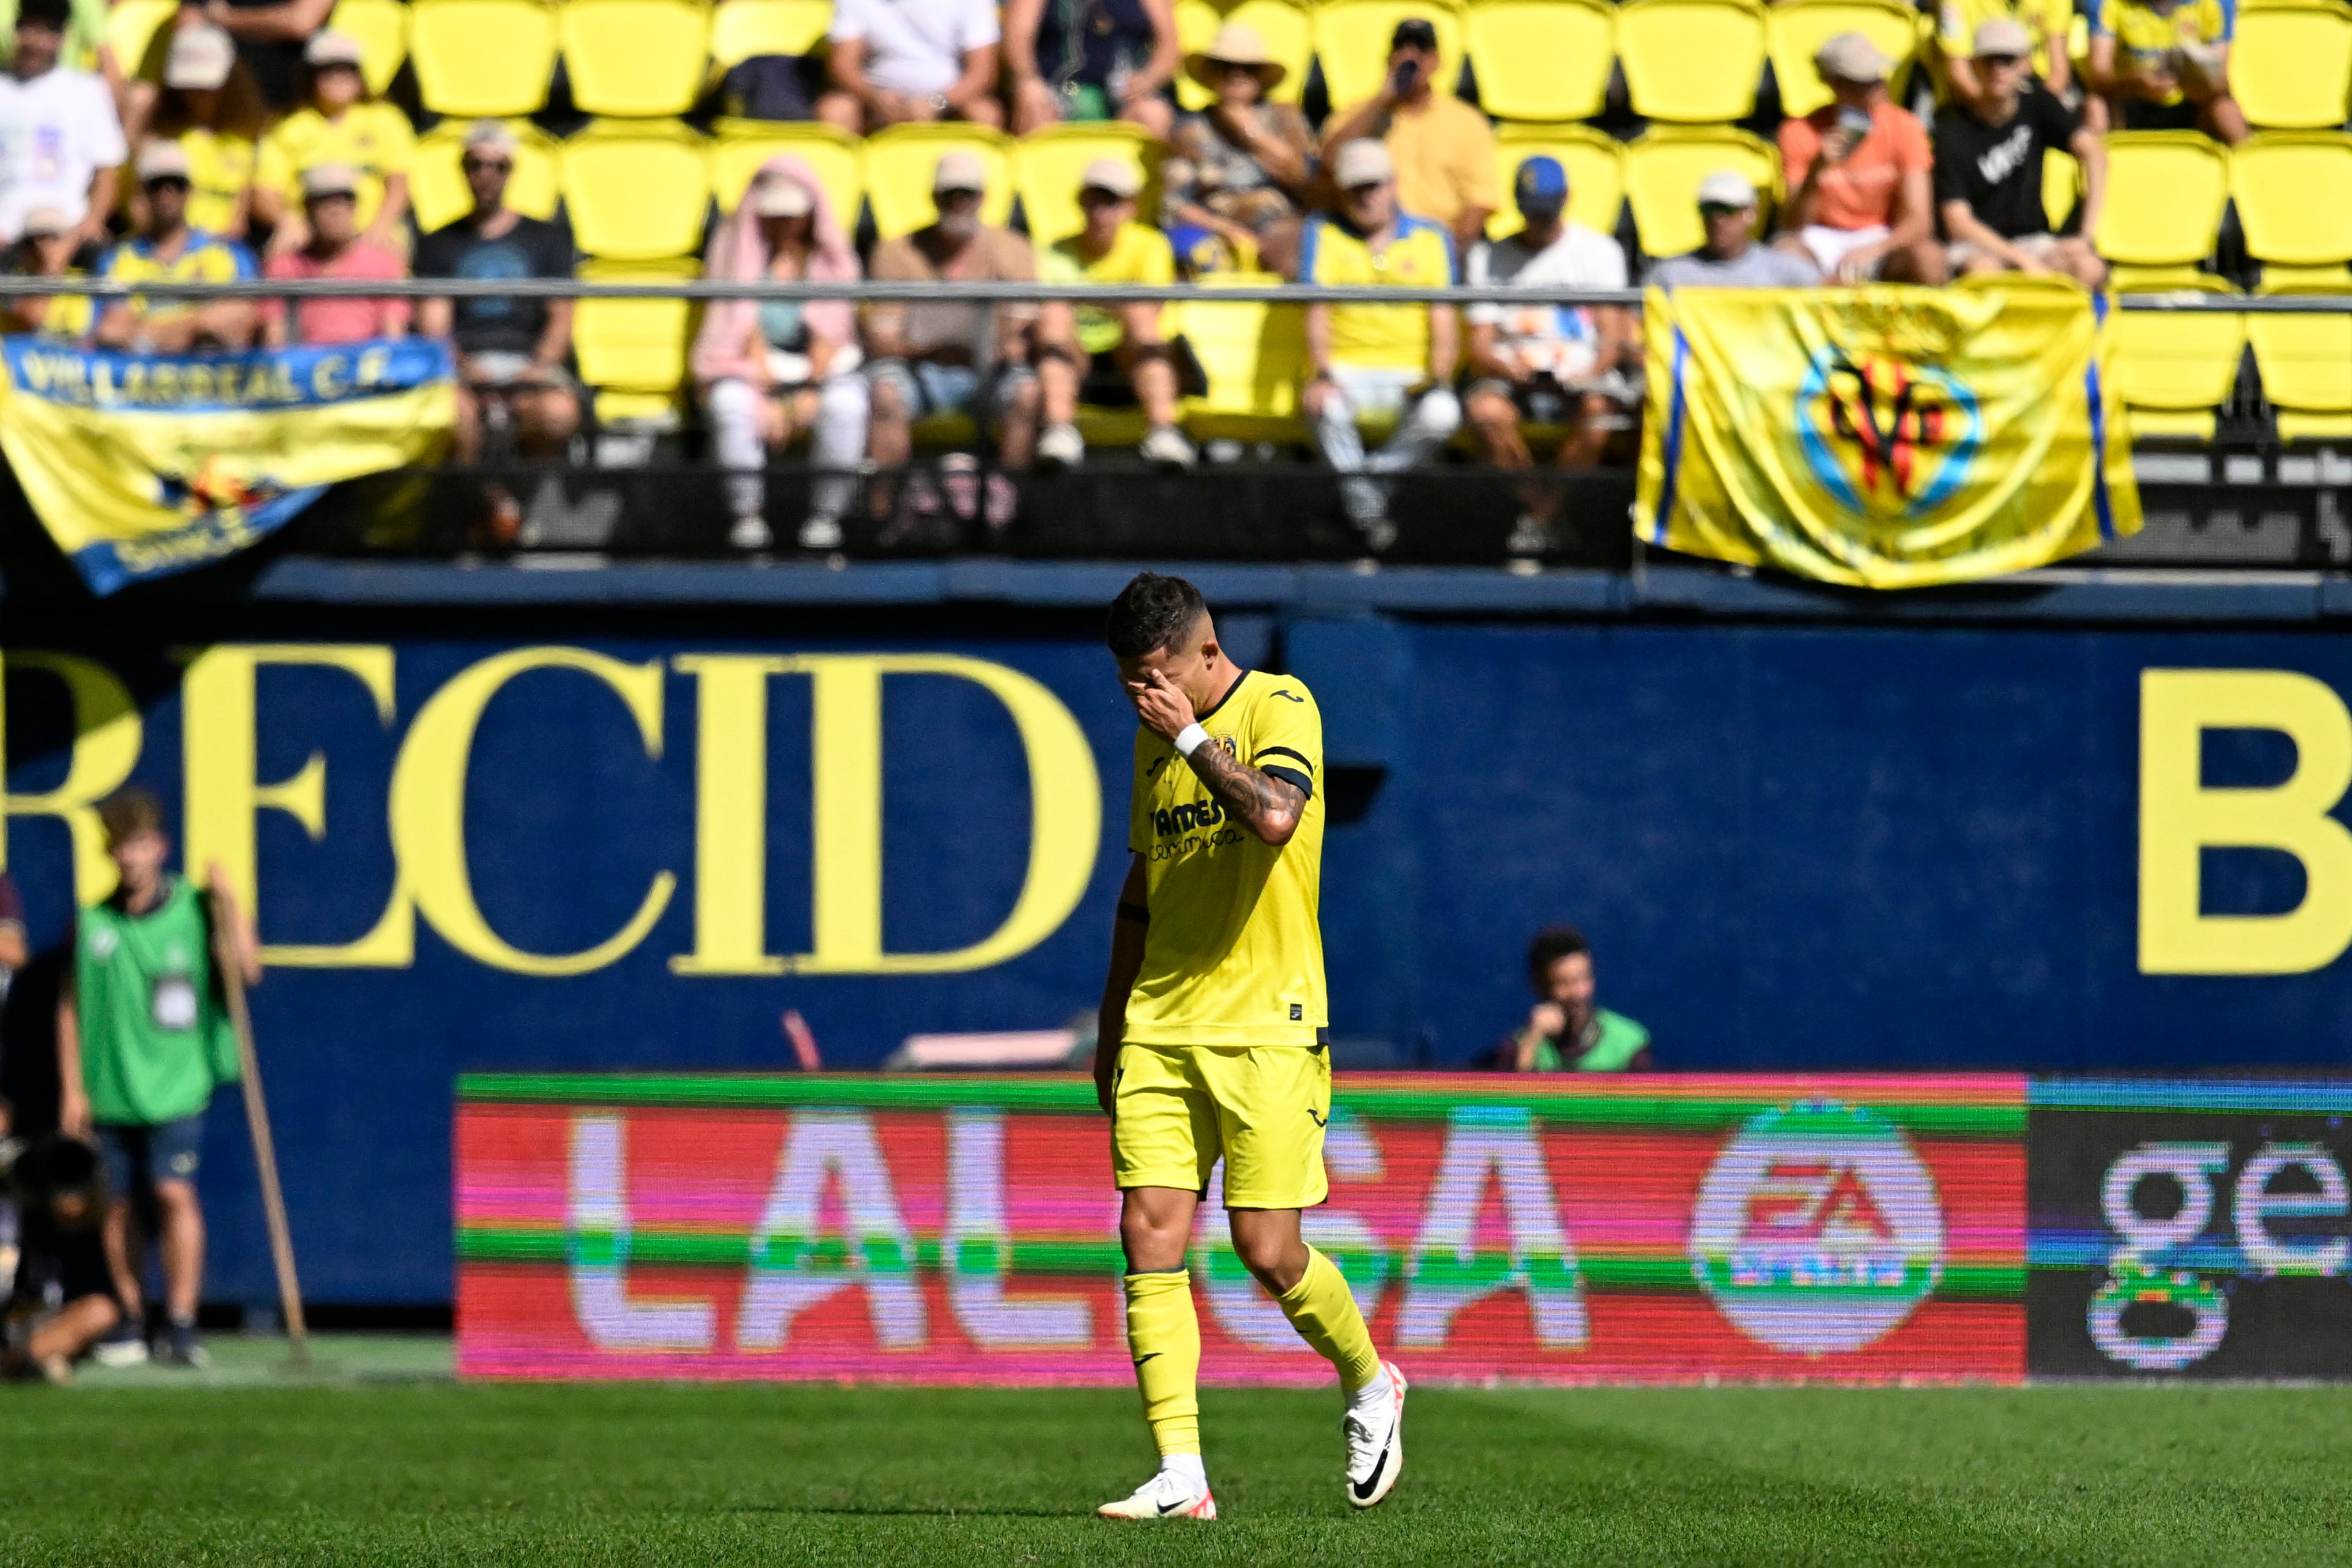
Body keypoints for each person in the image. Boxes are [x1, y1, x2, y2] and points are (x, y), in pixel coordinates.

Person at [1092, 571, 1405, 1522]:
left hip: (1268, 1021)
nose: (1143, 696)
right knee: (1149, 1230)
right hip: (1163, 1021)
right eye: (1130, 681)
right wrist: (1112, 1029)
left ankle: (1371, 1381)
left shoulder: (1279, 702)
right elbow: (1141, 897)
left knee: (1268, 1250)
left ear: (1205, 654)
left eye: (1156, 676)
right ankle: (1181, 1471)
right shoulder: (1154, 747)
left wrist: (1188, 735)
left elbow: (1275, 816)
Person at [56, 787, 258, 1370]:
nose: (129, 857)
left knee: (173, 1192)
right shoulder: (93, 921)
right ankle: (129, 1313)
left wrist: (231, 903)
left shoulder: (195, 910)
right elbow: (69, 1007)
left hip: (178, 1082)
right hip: (110, 1085)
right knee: (115, 1205)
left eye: (139, 845)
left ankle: (183, 1319)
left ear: (160, 848)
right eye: (119, 847)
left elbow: (247, 971)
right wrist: (73, 1085)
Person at [1463, 155, 1638, 562]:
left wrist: (1582, 373)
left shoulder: (1600, 252)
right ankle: (1542, 515)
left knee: (1599, 415)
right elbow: (1480, 347)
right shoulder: (1488, 257)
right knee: (1487, 413)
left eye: (1547, 209)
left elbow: (1613, 341)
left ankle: (1541, 517)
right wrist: (1514, 370)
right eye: (1532, 211)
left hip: (1582, 371)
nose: (1540, 220)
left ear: (1565, 200)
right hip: (1514, 372)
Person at [692, 157, 870, 553]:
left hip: (818, 372)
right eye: (774, 215)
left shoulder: (831, 259)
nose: (784, 223)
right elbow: (740, 329)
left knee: (847, 405)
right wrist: (769, 399)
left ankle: (827, 518)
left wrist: (810, 391)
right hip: (751, 371)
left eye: (793, 215)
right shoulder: (735, 253)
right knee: (731, 404)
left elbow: (832, 333)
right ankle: (747, 517)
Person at [862, 152, 1046, 533]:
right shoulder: (897, 252)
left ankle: (1008, 516)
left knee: (1027, 394)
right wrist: (928, 350)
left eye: (967, 194)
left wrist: (1000, 346)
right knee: (884, 395)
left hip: (990, 369)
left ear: (983, 197)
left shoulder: (1013, 249)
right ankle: (880, 519)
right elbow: (881, 336)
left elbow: (1027, 323)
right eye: (950, 194)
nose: (958, 203)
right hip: (919, 368)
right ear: (934, 197)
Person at [1299, 139, 1461, 555]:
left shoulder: (1431, 237)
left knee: (1443, 413)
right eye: (1355, 188)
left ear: (1392, 185)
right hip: (1347, 368)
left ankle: (1357, 503)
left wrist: (1439, 378)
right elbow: (1317, 310)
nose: (1366, 196)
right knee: (1323, 405)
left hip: (1409, 374)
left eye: (1373, 186)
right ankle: (1371, 513)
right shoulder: (1323, 232)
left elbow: (1443, 322)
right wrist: (1322, 372)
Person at [414, 120, 584, 502]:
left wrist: (535, 372)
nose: (486, 176)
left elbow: (562, 319)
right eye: (476, 165)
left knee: (556, 414)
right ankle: (477, 511)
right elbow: (434, 329)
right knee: (454, 417)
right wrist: (469, 373)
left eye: (498, 166)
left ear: (511, 172)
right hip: (465, 367)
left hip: (529, 363)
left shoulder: (547, 240)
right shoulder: (438, 244)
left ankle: (527, 507)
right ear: (463, 170)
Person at [1035, 157, 1194, 471]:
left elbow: (1151, 308)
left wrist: (1084, 301)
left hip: (1128, 357)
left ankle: (1163, 430)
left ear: (1130, 208)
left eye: (1111, 202)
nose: (1100, 212)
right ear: (1080, 203)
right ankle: (1059, 428)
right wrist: (1111, 301)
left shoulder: (1150, 245)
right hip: (1076, 357)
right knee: (1053, 316)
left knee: (1140, 317)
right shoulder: (1053, 251)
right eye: (1093, 202)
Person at [1936, 21, 2108, 285]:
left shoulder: (2038, 104)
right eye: (1989, 60)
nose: (1998, 69)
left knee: (2089, 267)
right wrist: (2020, 260)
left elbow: (2094, 153)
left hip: (2034, 239)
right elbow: (1958, 223)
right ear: (1974, 65)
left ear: (2024, 64)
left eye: (2007, 60)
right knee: (1983, 273)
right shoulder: (1952, 131)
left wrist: (2086, 235)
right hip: (1978, 245)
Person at [1773, 33, 1947, 285]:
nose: (1879, 86)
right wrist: (1817, 171)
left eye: (1879, 77)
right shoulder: (1798, 132)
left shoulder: (1905, 127)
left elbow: (1920, 220)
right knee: (1785, 255)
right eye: (1865, 81)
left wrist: (1874, 251)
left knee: (1930, 258)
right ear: (1834, 83)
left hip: (1881, 236)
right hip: (1822, 238)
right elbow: (1794, 225)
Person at [1320, 17, 1497, 257]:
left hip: (1443, 245)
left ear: (1436, 62)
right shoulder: (1359, 114)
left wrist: (1444, 256)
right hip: (1368, 243)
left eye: (1421, 49)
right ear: (1388, 59)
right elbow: (1329, 163)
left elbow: (1481, 201)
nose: (1410, 57)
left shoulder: (1467, 122)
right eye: (1401, 48)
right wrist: (1383, 99)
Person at [1163, 22, 1313, 278]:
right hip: (1215, 229)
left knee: (1304, 249)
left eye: (1248, 69)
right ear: (1212, 75)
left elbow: (1308, 182)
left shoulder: (1286, 118)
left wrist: (1255, 135)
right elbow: (1174, 203)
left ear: (1260, 77)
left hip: (1280, 225)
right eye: (1225, 67)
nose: (1236, 75)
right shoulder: (1190, 130)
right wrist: (1225, 229)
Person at [252, 31, 412, 257]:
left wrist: (380, 226)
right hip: (310, 234)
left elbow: (399, 182)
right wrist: (288, 221)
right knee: (279, 254)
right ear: (311, 76)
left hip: (371, 228)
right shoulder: (286, 127)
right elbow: (265, 193)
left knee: (391, 250)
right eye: (328, 70)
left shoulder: (385, 118)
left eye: (348, 70)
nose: (339, 78)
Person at [93, 141, 258, 352]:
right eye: (157, 185)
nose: (167, 193)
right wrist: (197, 325)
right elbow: (111, 331)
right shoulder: (117, 259)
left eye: (176, 184)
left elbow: (239, 321)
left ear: (190, 190)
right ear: (141, 193)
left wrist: (143, 334)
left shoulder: (229, 254)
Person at [0, 0, 125, 248]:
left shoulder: (87, 91)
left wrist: (85, 230)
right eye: (28, 28)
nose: (35, 41)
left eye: (46, 31)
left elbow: (108, 175)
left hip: (66, 229)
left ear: (63, 36)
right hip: (7, 235)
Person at [1, 1133, 120, 1385]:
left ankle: (21, 1362)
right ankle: (27, 1364)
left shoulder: (84, 1236)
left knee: (100, 1311)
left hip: (33, 1324)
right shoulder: (17, 1210)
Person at [133, 24, 265, 243]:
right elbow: (138, 208)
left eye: (207, 87)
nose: (197, 95)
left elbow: (239, 220)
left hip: (224, 253)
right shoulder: (157, 140)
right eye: (189, 87)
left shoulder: (246, 142)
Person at [259, 163, 408, 345]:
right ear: (308, 210)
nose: (336, 211)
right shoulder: (284, 265)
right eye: (324, 203)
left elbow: (393, 336)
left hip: (367, 366)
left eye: (344, 202)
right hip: (306, 367)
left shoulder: (384, 264)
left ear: (354, 207)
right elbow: (275, 335)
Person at [817, 0, 1002, 132]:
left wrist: (937, 104)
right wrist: (874, 97)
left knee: (985, 114)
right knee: (835, 110)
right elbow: (843, 66)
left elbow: (982, 73)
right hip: (875, 99)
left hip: (949, 102)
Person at [1004, 0, 1179, 138]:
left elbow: (1169, 42)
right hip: (1056, 88)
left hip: (1123, 90)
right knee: (1035, 112)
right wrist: (1028, 82)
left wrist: (1149, 79)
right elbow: (1017, 37)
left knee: (1153, 115)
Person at [1490, 926, 1653, 1073]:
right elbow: (1512, 1102)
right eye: (1563, 983)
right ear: (1539, 985)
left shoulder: (1628, 1044)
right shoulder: (1518, 1047)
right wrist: (1533, 1041)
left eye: (1583, 979)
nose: (1577, 993)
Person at [2084, 0, 2247, 143]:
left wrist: (2194, 83)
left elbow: (2221, 82)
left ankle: (2250, 172)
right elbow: (2098, 76)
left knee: (2227, 111)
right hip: (2131, 101)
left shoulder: (2217, 3)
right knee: (2095, 107)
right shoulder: (2107, 3)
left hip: (2190, 103)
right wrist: (2135, 82)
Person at [1647, 171, 1824, 290]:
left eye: (1728, 208)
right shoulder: (1671, 274)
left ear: (1751, 212)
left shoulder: (1784, 272)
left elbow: (1829, 295)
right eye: (1709, 208)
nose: (1718, 219)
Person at [195, 0, 337, 112]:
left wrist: (227, 18)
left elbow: (301, 23)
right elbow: (191, 19)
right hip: (222, 103)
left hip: (288, 103)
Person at [1934, 0, 2072, 104]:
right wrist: (2000, 113)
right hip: (1976, 102)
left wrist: (2033, 115)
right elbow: (1959, 74)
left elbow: (2059, 73)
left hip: (2038, 95)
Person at [1, 204, 95, 337]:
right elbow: (30, 318)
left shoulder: (83, 281)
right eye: (34, 239)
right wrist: (51, 271)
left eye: (53, 237)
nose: (42, 246)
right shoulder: (10, 280)